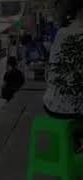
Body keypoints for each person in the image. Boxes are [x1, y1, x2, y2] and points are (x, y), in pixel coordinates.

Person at [43, 0, 83, 152]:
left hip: (53, 106)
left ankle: (73, 144)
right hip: (74, 112)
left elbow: (50, 71)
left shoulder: (62, 32)